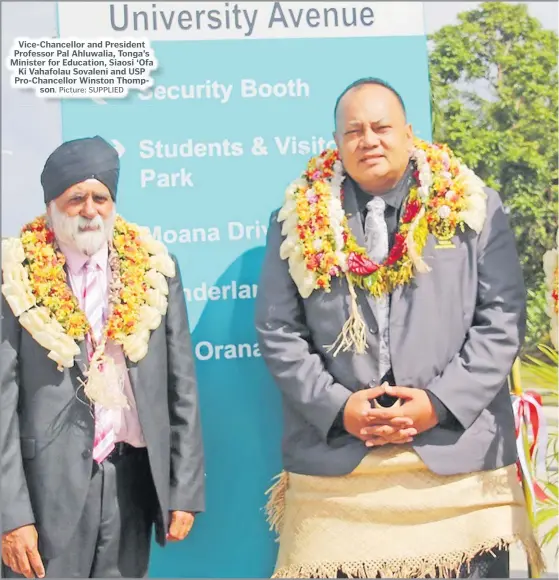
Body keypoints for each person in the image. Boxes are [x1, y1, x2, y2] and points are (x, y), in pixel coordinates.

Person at [255, 78, 544, 578]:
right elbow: (278, 330)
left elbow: (501, 319)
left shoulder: (471, 206)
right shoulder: (295, 220)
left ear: (409, 134)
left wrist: (440, 403)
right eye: (354, 131)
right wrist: (338, 408)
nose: (369, 140)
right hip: (339, 469)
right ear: (338, 144)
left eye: (382, 127)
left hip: (457, 460)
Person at [1, 136, 205, 578]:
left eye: (101, 197)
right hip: (44, 493)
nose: (90, 210)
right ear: (52, 204)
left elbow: (180, 386)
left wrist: (183, 489)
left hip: (130, 482)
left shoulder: (154, 268)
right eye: (76, 198)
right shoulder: (14, 274)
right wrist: (10, 514)